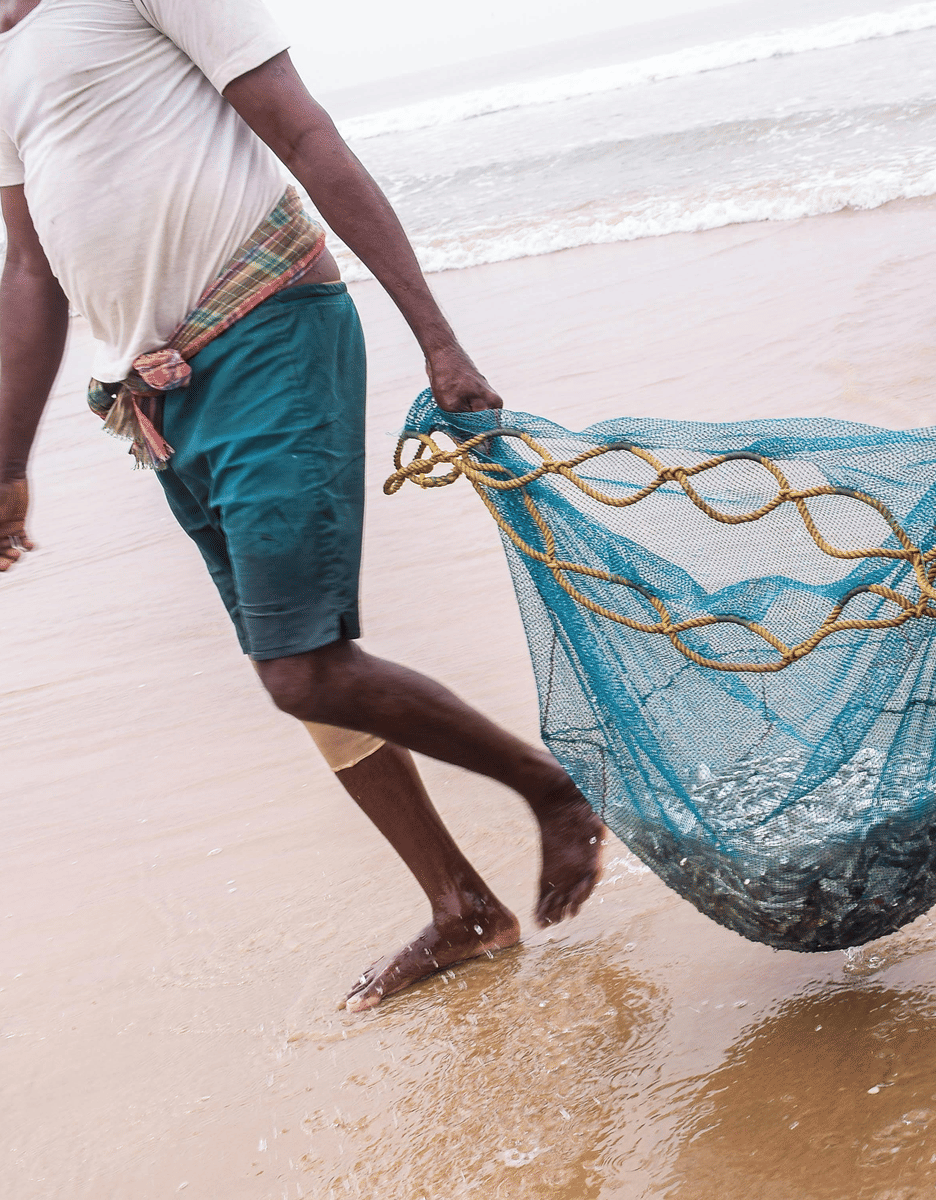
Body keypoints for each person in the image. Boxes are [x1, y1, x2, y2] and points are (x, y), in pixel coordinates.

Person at [0, 0, 604, 1012]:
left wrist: (439, 339)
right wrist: (8, 458)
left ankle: (554, 791)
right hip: (156, 399)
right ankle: (460, 907)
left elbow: (305, 130)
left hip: (267, 330)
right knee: (297, 667)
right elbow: (30, 268)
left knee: (301, 666)